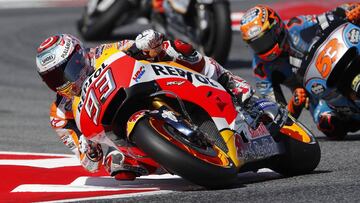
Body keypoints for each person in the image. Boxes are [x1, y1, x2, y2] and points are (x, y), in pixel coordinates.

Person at [35, 29, 254, 180]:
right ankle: (178, 155)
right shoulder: (60, 115)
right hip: (122, 139)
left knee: (174, 47)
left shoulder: (102, 53)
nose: (64, 82)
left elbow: (140, 45)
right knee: (117, 166)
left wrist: (148, 43)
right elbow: (90, 164)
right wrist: (88, 150)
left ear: (80, 56)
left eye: (66, 71)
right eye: (54, 79)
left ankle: (228, 80)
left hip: (147, 86)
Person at [239, 3, 360, 139]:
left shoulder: (296, 25)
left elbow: (327, 17)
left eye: (265, 40)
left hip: (333, 59)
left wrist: (348, 10)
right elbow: (274, 113)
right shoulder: (261, 69)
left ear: (276, 28)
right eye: (256, 45)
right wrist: (294, 105)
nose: (264, 48)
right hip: (316, 95)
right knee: (328, 125)